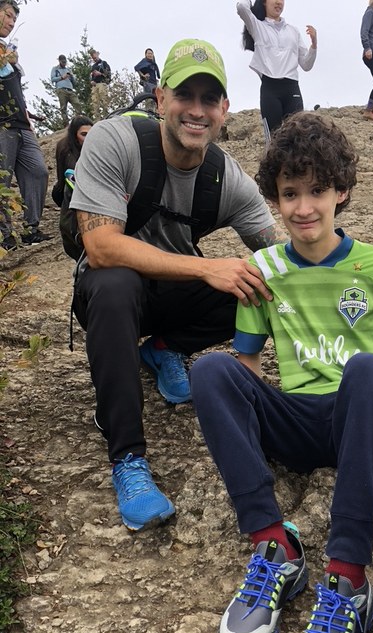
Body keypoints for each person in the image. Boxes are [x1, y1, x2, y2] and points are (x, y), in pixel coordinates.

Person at [189, 112, 373, 633]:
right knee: (210, 368)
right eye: (289, 193)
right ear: (273, 197)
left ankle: (346, 579)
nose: (302, 207)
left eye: (316, 190)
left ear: (341, 191)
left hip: (363, 418)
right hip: (297, 421)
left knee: (371, 367)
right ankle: (276, 547)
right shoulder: (264, 270)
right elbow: (245, 366)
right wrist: (239, 429)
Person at [70, 39, 287, 532]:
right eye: (185, 95)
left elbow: (281, 255)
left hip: (169, 295)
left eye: (209, 99)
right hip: (109, 295)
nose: (196, 110)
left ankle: (164, 348)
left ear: (225, 110)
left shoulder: (226, 177)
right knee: (115, 282)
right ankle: (128, 460)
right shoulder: (114, 139)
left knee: (259, 283)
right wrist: (206, 268)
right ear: (161, 98)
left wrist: (369, 271)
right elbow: (100, 246)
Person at [0, 0, 51, 250]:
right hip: (1, 125)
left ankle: (31, 229)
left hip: (21, 124)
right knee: (2, 182)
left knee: (38, 172)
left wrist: (28, 114)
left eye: (13, 19)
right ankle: (5, 237)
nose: (11, 22)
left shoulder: (7, 50)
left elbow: (13, 89)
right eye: (7, 15)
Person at [236, 0, 317, 142]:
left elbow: (306, 65)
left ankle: (296, 165)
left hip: (292, 88)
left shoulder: (293, 31)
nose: (279, 2)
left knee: (299, 138)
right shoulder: (258, 26)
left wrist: (314, 45)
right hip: (270, 89)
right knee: (273, 140)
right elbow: (241, 7)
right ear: (264, 3)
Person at [51, 115, 93, 207]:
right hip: (69, 193)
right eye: (84, 134)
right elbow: (73, 176)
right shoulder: (65, 149)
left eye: (91, 134)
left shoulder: (94, 147)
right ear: (74, 135)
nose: (88, 138)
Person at [50, 54, 82, 126]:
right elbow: (52, 79)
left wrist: (72, 76)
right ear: (59, 61)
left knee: (77, 104)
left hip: (70, 89)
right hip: (61, 89)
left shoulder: (68, 69)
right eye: (63, 62)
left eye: (65, 62)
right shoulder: (55, 69)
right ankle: (66, 125)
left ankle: (78, 121)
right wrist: (62, 77)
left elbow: (74, 83)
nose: (64, 63)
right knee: (63, 107)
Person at [89, 49, 111, 121]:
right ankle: (97, 120)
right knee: (95, 102)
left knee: (104, 100)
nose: (94, 58)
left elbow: (108, 74)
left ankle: (106, 117)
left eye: (94, 56)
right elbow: (91, 76)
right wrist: (92, 81)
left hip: (102, 83)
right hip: (95, 85)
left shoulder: (103, 63)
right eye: (92, 58)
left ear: (97, 54)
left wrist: (101, 74)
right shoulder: (93, 66)